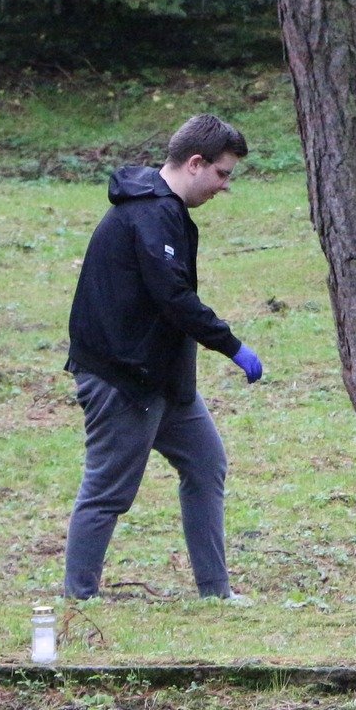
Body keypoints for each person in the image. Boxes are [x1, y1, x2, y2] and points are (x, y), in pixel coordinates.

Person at [63, 114, 263, 603]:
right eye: (222, 173)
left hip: (164, 378)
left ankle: (215, 592)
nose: (224, 185)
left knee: (206, 464)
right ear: (195, 163)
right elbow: (173, 296)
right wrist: (232, 346)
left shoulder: (164, 209)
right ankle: (78, 599)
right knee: (108, 491)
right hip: (124, 378)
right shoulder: (151, 214)